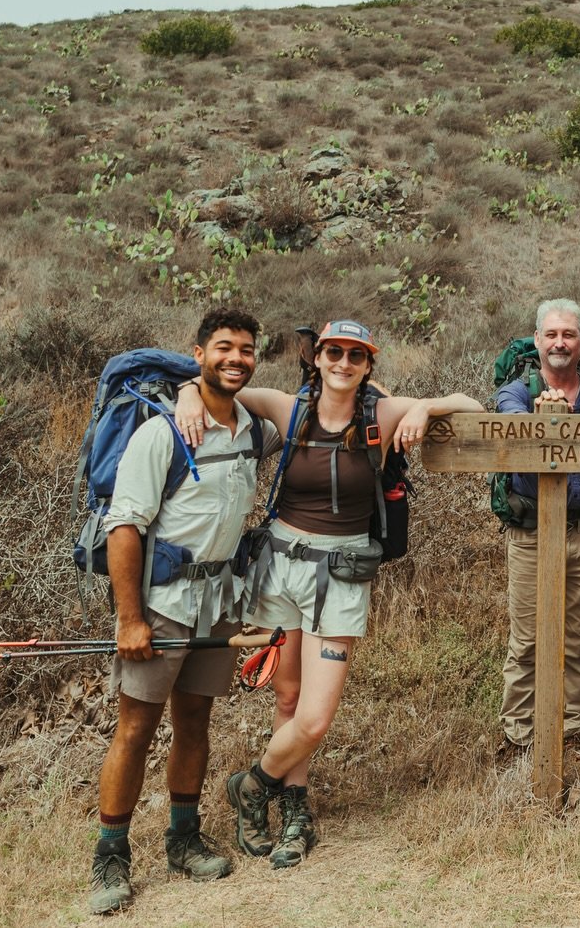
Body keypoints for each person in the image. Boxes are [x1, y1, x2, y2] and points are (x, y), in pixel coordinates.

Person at [175, 318, 482, 868]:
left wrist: (423, 408)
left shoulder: (380, 414)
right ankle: (295, 811)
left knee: (315, 717)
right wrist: (186, 391)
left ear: (369, 365)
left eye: (355, 356)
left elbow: (471, 403)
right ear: (316, 357)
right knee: (288, 700)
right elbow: (214, 377)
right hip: (280, 568)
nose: (343, 363)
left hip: (340, 574)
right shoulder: (287, 407)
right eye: (333, 352)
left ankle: (252, 786)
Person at [91, 308, 276, 916]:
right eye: (223, 348)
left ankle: (184, 836)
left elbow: (318, 405)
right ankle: (110, 856)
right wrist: (129, 619)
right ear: (197, 353)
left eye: (246, 350)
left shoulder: (253, 431)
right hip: (162, 605)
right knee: (136, 728)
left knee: (195, 723)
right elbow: (124, 528)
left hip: (217, 605)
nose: (236, 359)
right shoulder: (162, 433)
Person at [496, 299, 580, 774]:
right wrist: (539, 422)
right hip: (529, 535)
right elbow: (506, 423)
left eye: (569, 334)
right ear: (538, 340)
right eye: (552, 335)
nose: (560, 343)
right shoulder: (518, 390)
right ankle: (518, 738)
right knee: (526, 641)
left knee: (575, 642)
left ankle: (570, 734)